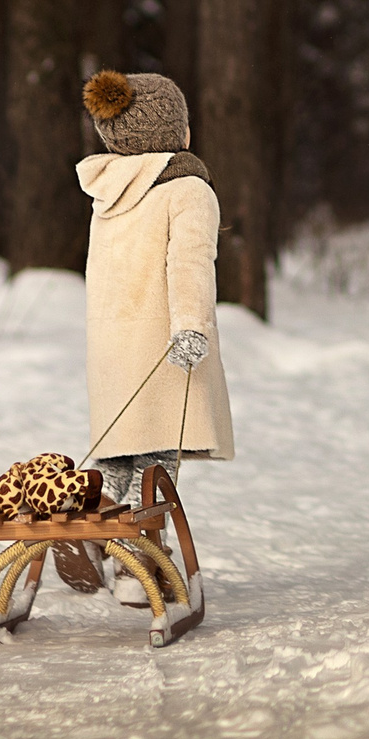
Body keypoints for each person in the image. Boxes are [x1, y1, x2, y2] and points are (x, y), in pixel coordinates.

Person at [78, 69, 235, 549]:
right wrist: (191, 328)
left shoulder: (107, 191)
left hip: (109, 347)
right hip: (162, 343)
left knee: (118, 451)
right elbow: (190, 265)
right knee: (156, 461)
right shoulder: (188, 190)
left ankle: (93, 523)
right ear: (178, 133)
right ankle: (139, 555)